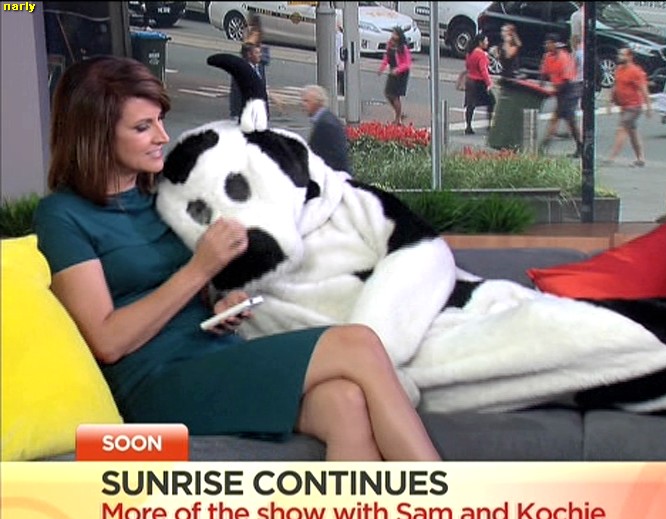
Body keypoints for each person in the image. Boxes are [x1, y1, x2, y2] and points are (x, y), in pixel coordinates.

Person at [34, 56, 440, 463]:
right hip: (155, 381)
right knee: (357, 344)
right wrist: (201, 269)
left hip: (214, 351)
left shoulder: (162, 195)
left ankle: (366, 508)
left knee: (345, 402)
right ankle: (450, 494)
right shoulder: (62, 215)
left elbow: (182, 292)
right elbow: (107, 342)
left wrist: (219, 305)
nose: (162, 136)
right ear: (97, 135)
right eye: (143, 127)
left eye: (160, 120)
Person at [601, 47, 652, 167]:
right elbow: (615, 87)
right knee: (632, 132)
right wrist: (609, 103)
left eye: (623, 55)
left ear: (630, 57)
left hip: (634, 106)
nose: (620, 57)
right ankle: (640, 158)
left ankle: (611, 157)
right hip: (624, 107)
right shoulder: (618, 69)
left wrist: (648, 107)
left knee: (622, 129)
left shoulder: (635, 71)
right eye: (620, 54)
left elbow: (644, 90)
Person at [539, 33, 583, 158]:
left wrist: (552, 89)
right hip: (560, 91)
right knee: (558, 118)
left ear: (555, 44)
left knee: (569, 120)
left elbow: (567, 80)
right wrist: (542, 85)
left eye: (549, 43)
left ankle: (580, 145)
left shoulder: (564, 58)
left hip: (570, 91)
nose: (547, 45)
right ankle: (544, 146)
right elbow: (544, 72)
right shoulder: (548, 57)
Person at [301, 84, 350, 173]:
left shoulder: (325, 124)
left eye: (306, 101)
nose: (303, 105)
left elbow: (335, 157)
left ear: (316, 102)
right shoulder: (327, 118)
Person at [378, 27, 411, 124]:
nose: (393, 36)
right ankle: (398, 112)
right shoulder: (390, 44)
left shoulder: (403, 47)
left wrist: (398, 69)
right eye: (393, 33)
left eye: (395, 34)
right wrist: (382, 68)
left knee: (395, 95)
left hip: (401, 73)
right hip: (392, 71)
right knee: (388, 93)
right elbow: (387, 58)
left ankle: (398, 118)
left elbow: (407, 63)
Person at [463, 33, 494, 135]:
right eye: (486, 41)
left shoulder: (470, 52)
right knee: (491, 102)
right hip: (479, 82)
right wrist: (489, 83)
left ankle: (468, 126)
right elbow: (483, 70)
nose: (487, 43)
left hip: (470, 81)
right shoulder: (481, 54)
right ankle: (489, 124)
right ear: (480, 42)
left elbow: (467, 65)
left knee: (470, 105)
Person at [229, 42, 266, 120]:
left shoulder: (260, 67)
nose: (260, 55)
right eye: (257, 53)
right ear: (249, 55)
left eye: (260, 52)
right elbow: (237, 94)